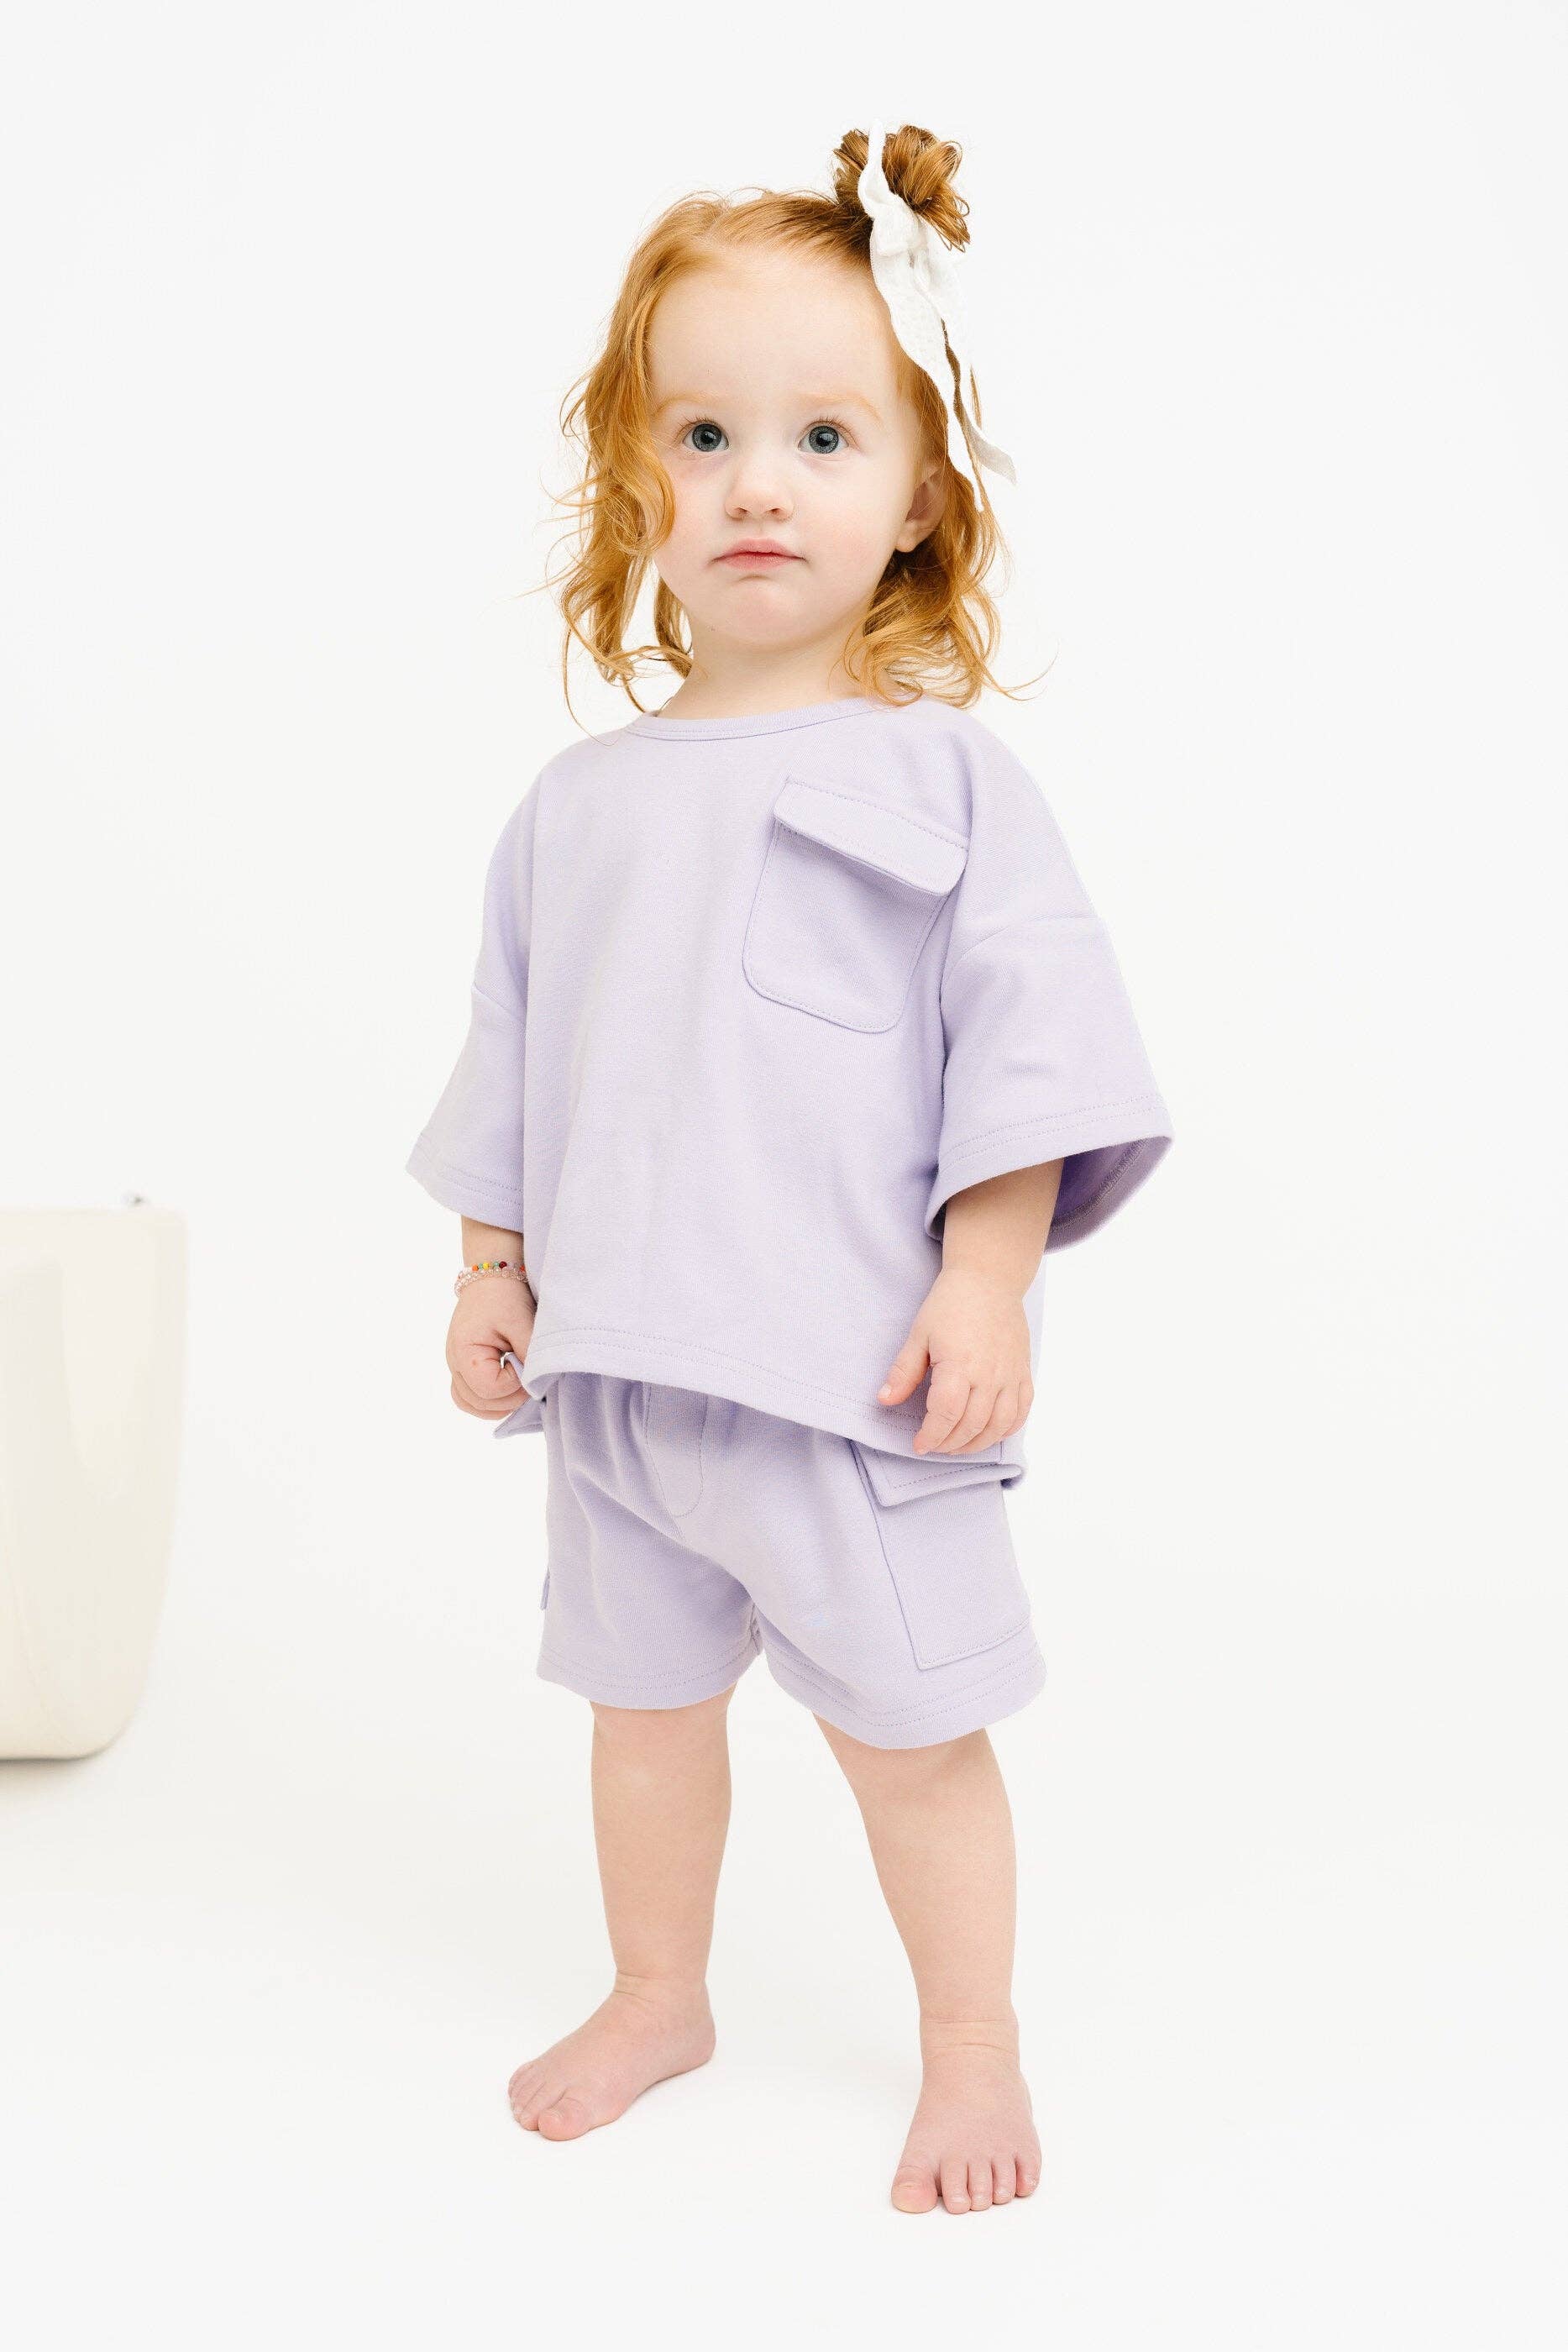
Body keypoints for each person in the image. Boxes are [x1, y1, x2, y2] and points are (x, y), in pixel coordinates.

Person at [406, 121, 1173, 2216]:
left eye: (824, 435)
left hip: (852, 1387)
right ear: (635, 481)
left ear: (916, 491)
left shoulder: (941, 776)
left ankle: (970, 2039)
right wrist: (490, 1267)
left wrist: (986, 1277)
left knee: (909, 1734)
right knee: (640, 1718)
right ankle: (659, 1990)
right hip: (625, 1388)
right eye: (707, 433)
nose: (760, 482)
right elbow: (513, 1059)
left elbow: (1028, 1051)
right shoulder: (575, 809)